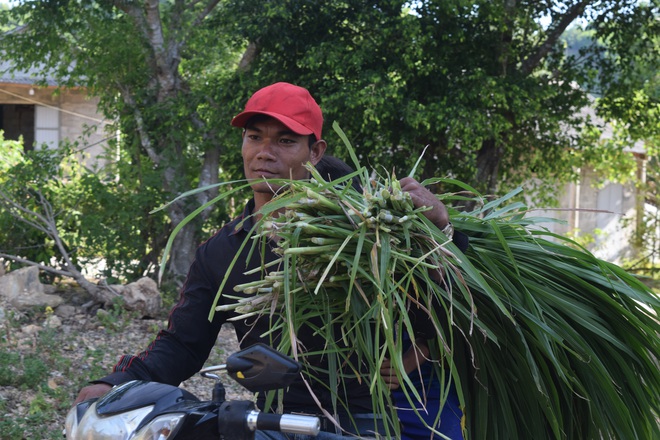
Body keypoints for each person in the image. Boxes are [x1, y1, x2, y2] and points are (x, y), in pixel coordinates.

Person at [73, 82, 459, 438]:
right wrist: (114, 382)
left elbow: (448, 310)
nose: (264, 153)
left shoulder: (364, 233)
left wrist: (441, 231)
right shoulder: (222, 252)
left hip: (367, 418)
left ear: (316, 151)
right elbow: (183, 345)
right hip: (274, 419)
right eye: (254, 137)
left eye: (285, 140)